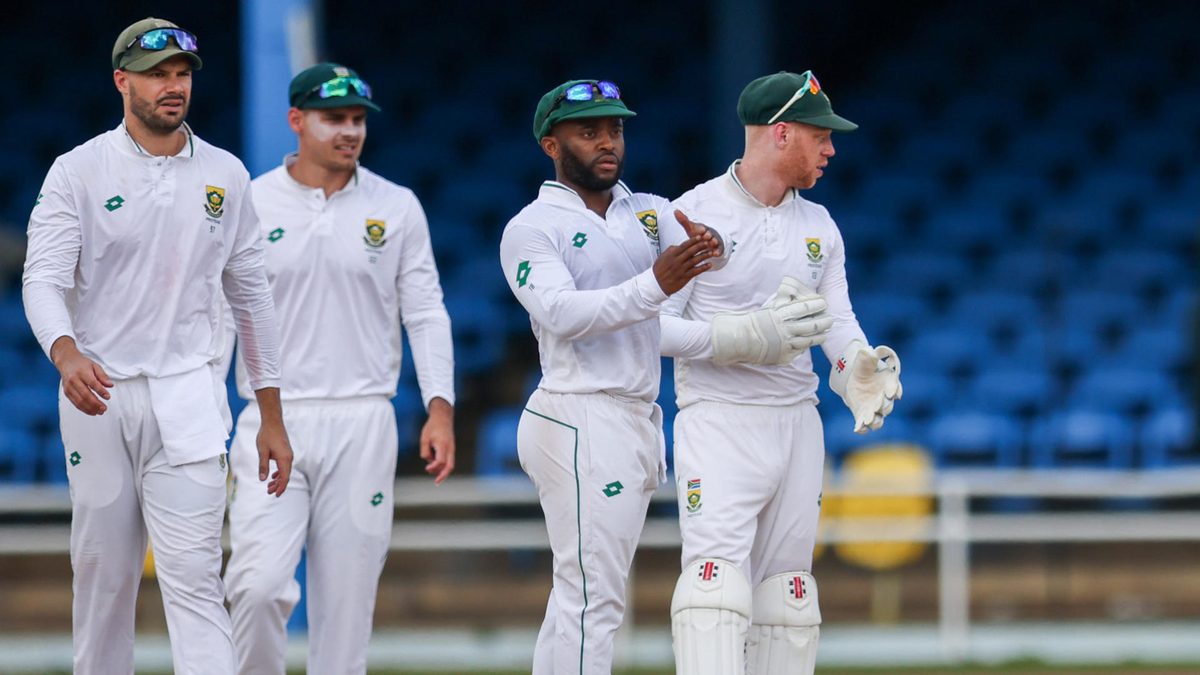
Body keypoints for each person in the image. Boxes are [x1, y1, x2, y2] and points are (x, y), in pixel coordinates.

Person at [21, 17, 292, 674]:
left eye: (181, 74)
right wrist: (65, 352)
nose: (173, 87)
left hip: (191, 393)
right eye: (156, 75)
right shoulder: (78, 170)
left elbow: (252, 296)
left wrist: (272, 414)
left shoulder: (226, 174)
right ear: (122, 81)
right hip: (99, 397)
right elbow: (44, 277)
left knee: (196, 578)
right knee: (105, 578)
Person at [660, 70, 903, 675]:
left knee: (789, 597)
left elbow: (838, 323)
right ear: (782, 133)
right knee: (714, 589)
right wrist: (741, 336)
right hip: (720, 420)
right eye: (821, 136)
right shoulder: (691, 214)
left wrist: (857, 371)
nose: (831, 149)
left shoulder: (820, 224)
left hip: (797, 422)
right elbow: (651, 329)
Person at [222, 62, 456, 674]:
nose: (350, 131)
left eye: (357, 120)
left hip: (363, 418)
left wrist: (439, 407)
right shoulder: (249, 201)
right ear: (297, 121)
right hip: (273, 418)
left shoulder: (396, 206)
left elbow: (426, 312)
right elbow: (218, 313)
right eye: (334, 119)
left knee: (347, 605)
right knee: (257, 586)